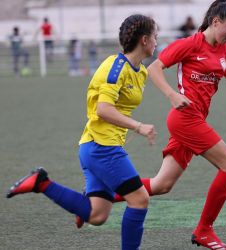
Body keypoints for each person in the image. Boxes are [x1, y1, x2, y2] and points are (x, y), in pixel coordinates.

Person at [75, 1, 226, 249]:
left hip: (196, 121)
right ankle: (204, 231)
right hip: (185, 119)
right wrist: (171, 95)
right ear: (216, 22)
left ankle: (93, 200)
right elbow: (155, 68)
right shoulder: (189, 44)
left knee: (161, 185)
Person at [6, 14, 158, 250]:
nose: (157, 41)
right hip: (101, 148)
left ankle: (41, 183)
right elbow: (103, 109)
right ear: (145, 40)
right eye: (155, 36)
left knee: (97, 215)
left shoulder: (141, 72)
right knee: (139, 200)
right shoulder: (115, 67)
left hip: (99, 147)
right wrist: (138, 126)